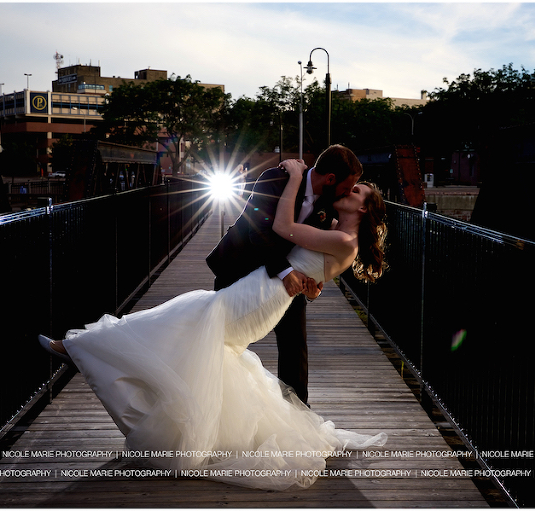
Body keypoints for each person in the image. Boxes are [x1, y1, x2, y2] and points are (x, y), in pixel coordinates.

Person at [37, 158, 388, 490]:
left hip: (262, 296)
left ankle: (82, 348)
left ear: (362, 209)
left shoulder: (344, 240)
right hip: (258, 288)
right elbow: (307, 260)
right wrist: (312, 281)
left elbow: (283, 228)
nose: (350, 190)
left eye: (357, 191)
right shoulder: (334, 228)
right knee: (190, 332)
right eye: (352, 185)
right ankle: (93, 353)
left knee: (184, 320)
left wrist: (296, 177)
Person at [206, 145, 363, 405]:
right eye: (347, 187)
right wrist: (285, 271)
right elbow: (259, 231)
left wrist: (315, 287)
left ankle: (298, 412)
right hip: (239, 265)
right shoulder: (275, 179)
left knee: (295, 345)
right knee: (222, 338)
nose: (347, 193)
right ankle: (215, 402)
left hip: (287, 279)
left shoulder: (331, 203)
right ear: (330, 179)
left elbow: (317, 249)